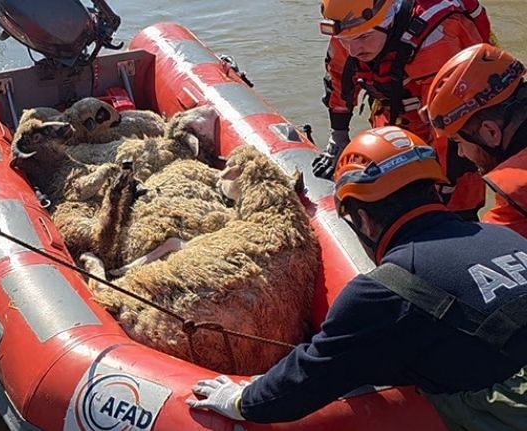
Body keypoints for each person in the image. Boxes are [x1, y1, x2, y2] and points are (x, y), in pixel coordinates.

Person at [189, 126, 527, 431]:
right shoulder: (507, 238)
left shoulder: (386, 290)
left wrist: (240, 401)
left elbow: (309, 379)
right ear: (434, 191)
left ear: (362, 219)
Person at [312, 0, 494, 221]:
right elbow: (339, 80)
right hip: (395, 112)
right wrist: (338, 137)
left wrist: (442, 186)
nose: (353, 50)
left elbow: (450, 124)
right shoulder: (352, 29)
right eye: (345, 41)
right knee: (387, 197)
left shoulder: (435, 37)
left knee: (457, 198)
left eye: (362, 38)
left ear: (388, 21)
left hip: (456, 126)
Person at [423, 43, 527, 238]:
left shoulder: (515, 207)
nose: (461, 153)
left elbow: (480, 254)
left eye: (458, 142)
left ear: (491, 132)